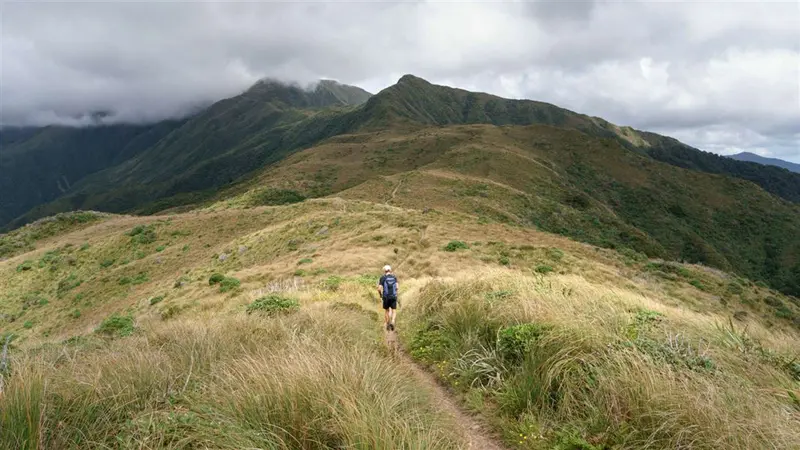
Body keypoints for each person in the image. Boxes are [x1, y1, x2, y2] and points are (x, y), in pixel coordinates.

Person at [377, 265, 398, 331]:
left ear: (384, 271)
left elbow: (379, 289)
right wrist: (395, 293)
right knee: (394, 310)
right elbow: (397, 287)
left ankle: (387, 323)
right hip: (393, 296)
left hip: (386, 297)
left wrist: (381, 295)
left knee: (387, 310)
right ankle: (393, 321)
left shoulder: (382, 278)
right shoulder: (394, 277)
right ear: (390, 270)